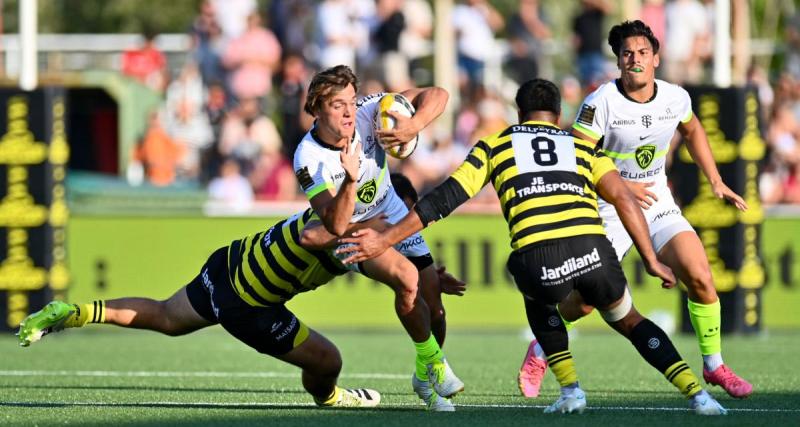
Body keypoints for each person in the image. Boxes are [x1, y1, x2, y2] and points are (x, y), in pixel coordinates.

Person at [337, 78, 727, 415]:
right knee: (629, 319)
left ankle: (571, 390)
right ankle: (699, 395)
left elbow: (444, 199)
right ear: (558, 115)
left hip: (539, 257)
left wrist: (386, 238)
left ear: (519, 113)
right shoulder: (586, 148)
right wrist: (650, 259)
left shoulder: (496, 145)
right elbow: (625, 199)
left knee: (536, 291)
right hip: (594, 250)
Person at [16, 179, 465, 410]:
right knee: (329, 362)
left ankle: (74, 312)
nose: (409, 226)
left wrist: (424, 275)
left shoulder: (340, 213)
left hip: (229, 262)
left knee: (166, 318)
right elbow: (322, 241)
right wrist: (406, 264)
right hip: (251, 304)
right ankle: (330, 398)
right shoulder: (358, 230)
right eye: (404, 216)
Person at [516, 20, 753, 400]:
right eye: (628, 54)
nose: (635, 60)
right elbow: (576, 156)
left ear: (656, 58)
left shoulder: (675, 98)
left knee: (701, 277)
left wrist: (716, 180)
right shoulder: (601, 103)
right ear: (618, 61)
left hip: (656, 201)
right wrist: (621, 186)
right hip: (607, 208)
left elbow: (692, 131)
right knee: (584, 304)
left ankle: (714, 366)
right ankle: (541, 347)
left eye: (643, 53)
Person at [293, 65, 462, 410]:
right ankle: (437, 365)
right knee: (407, 278)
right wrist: (350, 180)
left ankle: (424, 375)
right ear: (317, 107)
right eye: (338, 104)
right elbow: (335, 224)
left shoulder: (371, 111)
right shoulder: (307, 158)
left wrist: (413, 126)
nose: (349, 112)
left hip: (393, 213)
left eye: (351, 102)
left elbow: (439, 95)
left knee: (435, 305)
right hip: (351, 232)